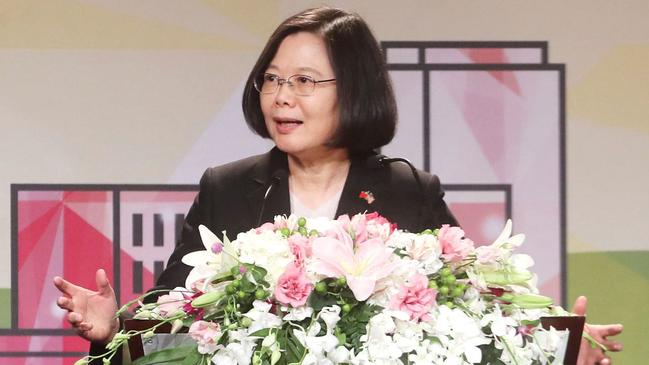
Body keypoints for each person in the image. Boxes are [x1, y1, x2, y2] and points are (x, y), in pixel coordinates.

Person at [53, 6, 622, 365]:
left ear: (352, 92)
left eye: (304, 81)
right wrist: (113, 328)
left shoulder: (407, 190)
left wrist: (554, 342)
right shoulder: (228, 188)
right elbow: (172, 320)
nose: (281, 96)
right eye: (271, 79)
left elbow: (467, 309)